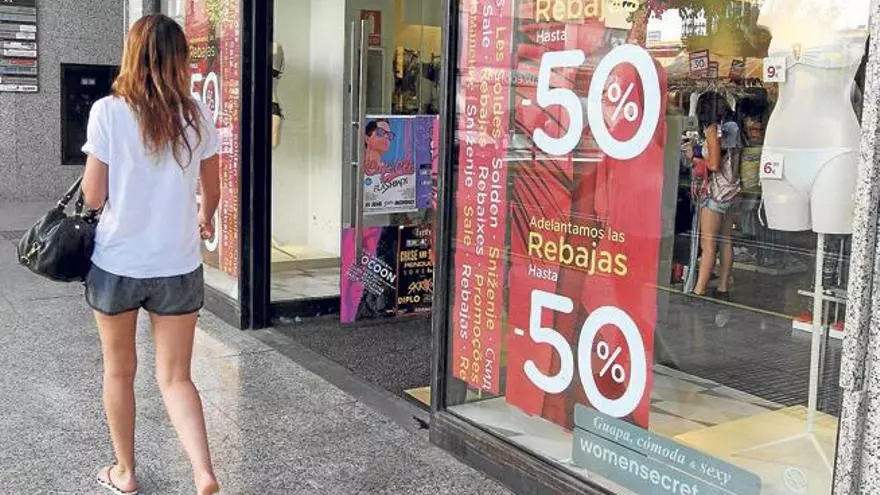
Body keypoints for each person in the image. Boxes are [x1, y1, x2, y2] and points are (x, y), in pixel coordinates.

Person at [80, 14, 220, 495]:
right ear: (180, 60)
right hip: (178, 265)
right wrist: (203, 218)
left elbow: (93, 196)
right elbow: (212, 191)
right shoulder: (197, 115)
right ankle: (203, 472)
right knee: (177, 378)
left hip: (118, 264)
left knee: (119, 371)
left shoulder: (108, 111)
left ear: (132, 56)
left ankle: (125, 472)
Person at [688, 92, 743, 299]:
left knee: (708, 244)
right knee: (726, 240)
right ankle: (723, 287)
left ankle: (699, 290)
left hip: (716, 193)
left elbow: (713, 164)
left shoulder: (713, 129)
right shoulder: (733, 127)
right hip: (732, 190)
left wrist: (694, 158)